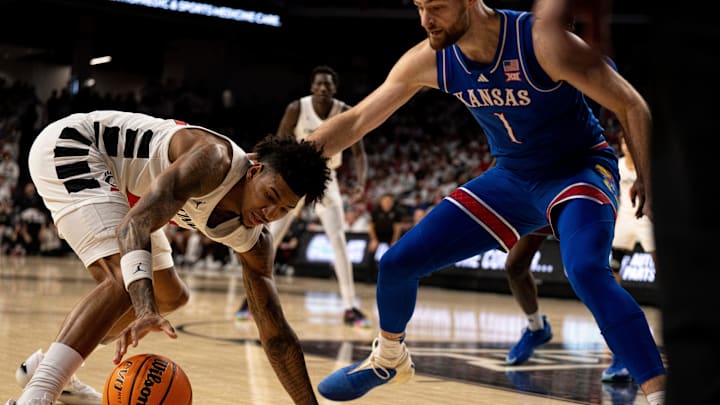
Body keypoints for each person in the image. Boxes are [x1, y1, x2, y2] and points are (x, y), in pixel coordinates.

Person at [306, 1, 666, 404]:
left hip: (577, 170)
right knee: (396, 263)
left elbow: (631, 104)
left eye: (437, 7)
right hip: (512, 178)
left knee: (584, 269)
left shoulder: (539, 41)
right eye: (419, 7)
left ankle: (657, 391)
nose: (426, 20)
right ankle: (390, 357)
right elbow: (356, 122)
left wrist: (650, 180)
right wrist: (287, 156)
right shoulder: (432, 58)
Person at [6, 110, 330, 405]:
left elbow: (275, 334)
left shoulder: (255, 240)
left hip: (132, 194)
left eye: (284, 209)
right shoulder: (213, 160)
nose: (270, 213)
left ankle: (47, 367)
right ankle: (38, 395)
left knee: (171, 295)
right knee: (127, 279)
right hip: (77, 147)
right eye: (270, 196)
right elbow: (135, 225)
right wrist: (144, 309)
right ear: (253, 170)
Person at [234, 65, 371, 328]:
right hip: (292, 180)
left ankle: (351, 307)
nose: (322, 88)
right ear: (312, 87)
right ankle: (249, 300)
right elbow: (278, 143)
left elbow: (359, 153)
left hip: (326, 178)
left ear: (334, 89)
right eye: (318, 84)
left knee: (339, 240)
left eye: (327, 85)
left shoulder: (343, 111)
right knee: (270, 238)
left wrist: (360, 182)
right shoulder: (297, 107)